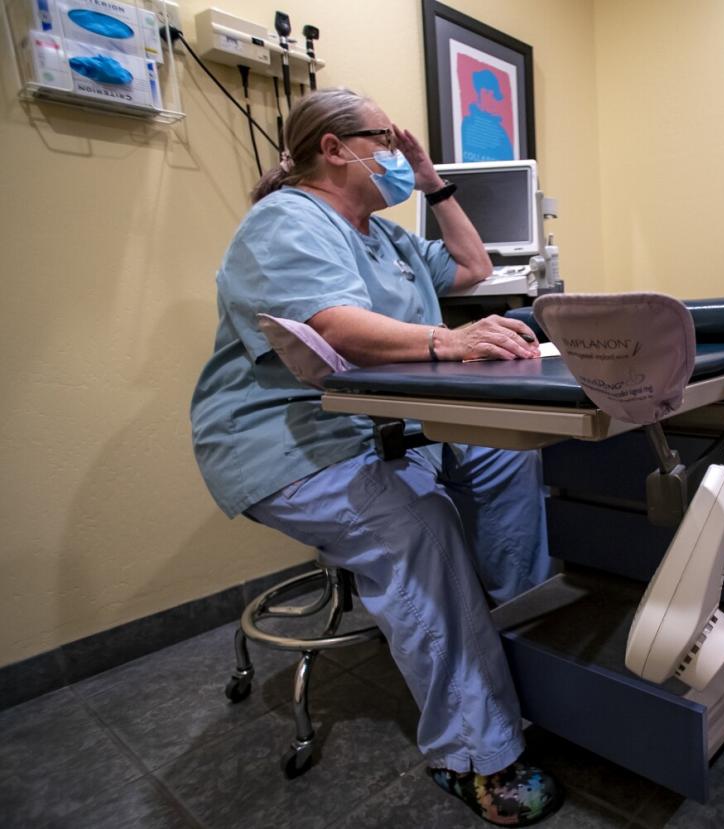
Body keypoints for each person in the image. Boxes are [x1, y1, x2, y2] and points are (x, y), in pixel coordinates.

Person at [190, 88, 561, 826]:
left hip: (391, 427)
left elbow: (473, 263)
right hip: (294, 442)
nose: (394, 154)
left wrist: (431, 177)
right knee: (418, 526)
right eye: (386, 142)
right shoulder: (285, 221)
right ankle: (474, 752)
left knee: (508, 457)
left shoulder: (384, 238)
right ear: (335, 148)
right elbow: (333, 324)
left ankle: (523, 655)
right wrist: (448, 340)